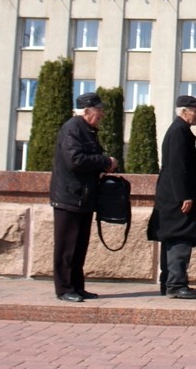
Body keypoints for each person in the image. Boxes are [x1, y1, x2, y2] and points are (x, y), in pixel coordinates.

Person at [49, 92, 118, 303]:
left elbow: (86, 160)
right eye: (99, 110)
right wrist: (105, 161)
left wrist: (103, 165)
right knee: (66, 247)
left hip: (83, 197)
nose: (102, 114)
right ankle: (64, 289)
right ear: (87, 111)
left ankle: (77, 287)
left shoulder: (86, 130)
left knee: (79, 247)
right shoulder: (72, 128)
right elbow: (76, 160)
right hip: (69, 197)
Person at [149, 95, 196, 299]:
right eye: (195, 111)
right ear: (183, 112)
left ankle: (169, 282)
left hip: (171, 196)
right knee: (180, 237)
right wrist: (185, 195)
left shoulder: (179, 130)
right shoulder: (179, 132)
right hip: (176, 198)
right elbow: (178, 167)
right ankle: (176, 284)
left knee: (172, 239)